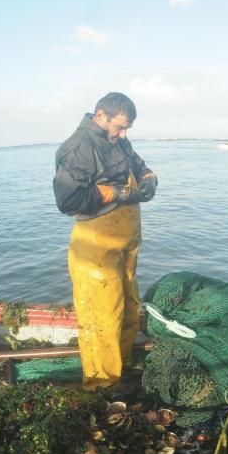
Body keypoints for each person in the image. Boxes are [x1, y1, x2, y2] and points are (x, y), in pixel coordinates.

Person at [53, 92, 158, 391]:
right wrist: (118, 193)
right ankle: (102, 384)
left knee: (127, 307)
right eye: (119, 128)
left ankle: (122, 365)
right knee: (103, 316)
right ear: (101, 116)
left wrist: (149, 178)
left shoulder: (118, 141)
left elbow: (137, 165)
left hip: (125, 244)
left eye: (127, 130)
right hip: (95, 249)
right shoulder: (79, 148)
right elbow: (68, 199)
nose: (123, 135)